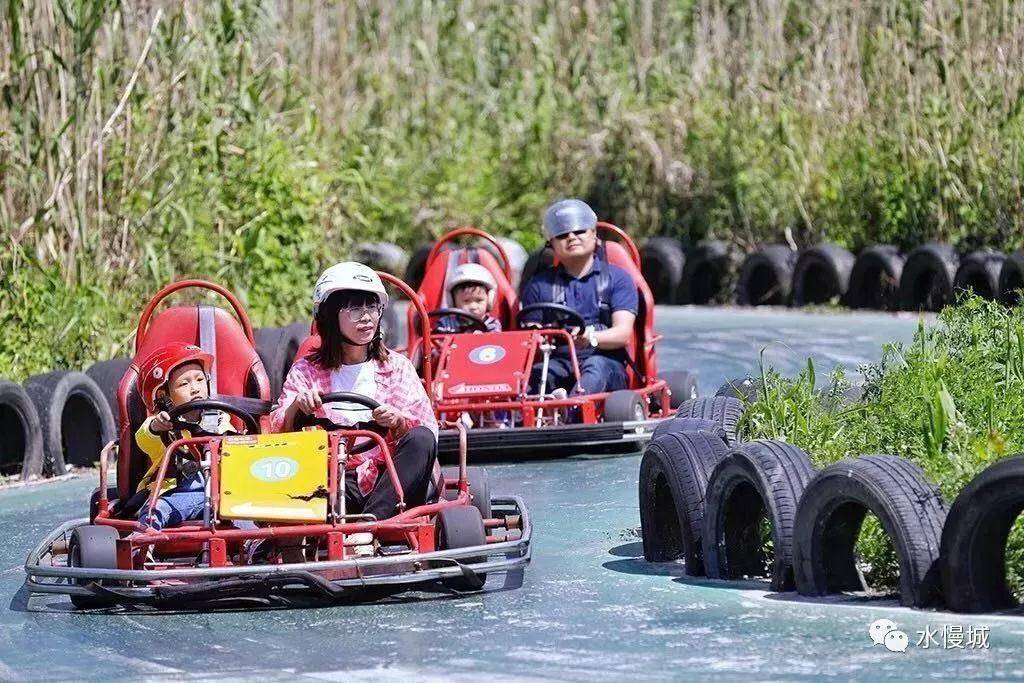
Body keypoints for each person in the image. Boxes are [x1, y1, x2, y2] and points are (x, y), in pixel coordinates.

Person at [270, 262, 439, 522]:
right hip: (329, 480)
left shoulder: (396, 367)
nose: (366, 316)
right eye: (354, 308)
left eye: (371, 306)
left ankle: (369, 527)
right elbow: (277, 430)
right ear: (328, 315)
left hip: (389, 482)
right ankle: (305, 535)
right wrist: (297, 407)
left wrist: (398, 422)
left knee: (422, 439)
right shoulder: (307, 371)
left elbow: (425, 428)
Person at [519, 198, 638, 395]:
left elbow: (623, 334)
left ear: (594, 234)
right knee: (536, 375)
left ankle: (570, 411)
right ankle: (510, 417)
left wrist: (590, 337)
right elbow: (529, 337)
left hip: (606, 361)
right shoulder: (539, 285)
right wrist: (539, 340)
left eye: (579, 231)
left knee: (596, 367)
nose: (572, 237)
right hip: (560, 361)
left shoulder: (618, 278)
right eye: (563, 235)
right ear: (552, 244)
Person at [134, 342, 240, 530]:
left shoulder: (220, 417)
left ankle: (256, 542)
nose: (195, 388)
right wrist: (157, 426)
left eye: (200, 380)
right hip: (180, 495)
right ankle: (143, 542)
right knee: (157, 508)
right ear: (164, 396)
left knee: (249, 507)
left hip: (225, 492)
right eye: (184, 384)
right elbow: (144, 438)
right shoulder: (163, 425)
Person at [433, 262, 503, 334]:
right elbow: (438, 341)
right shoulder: (446, 323)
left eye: (479, 300)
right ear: (453, 302)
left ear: (489, 301)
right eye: (466, 301)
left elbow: (495, 341)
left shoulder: (492, 324)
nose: (473, 307)